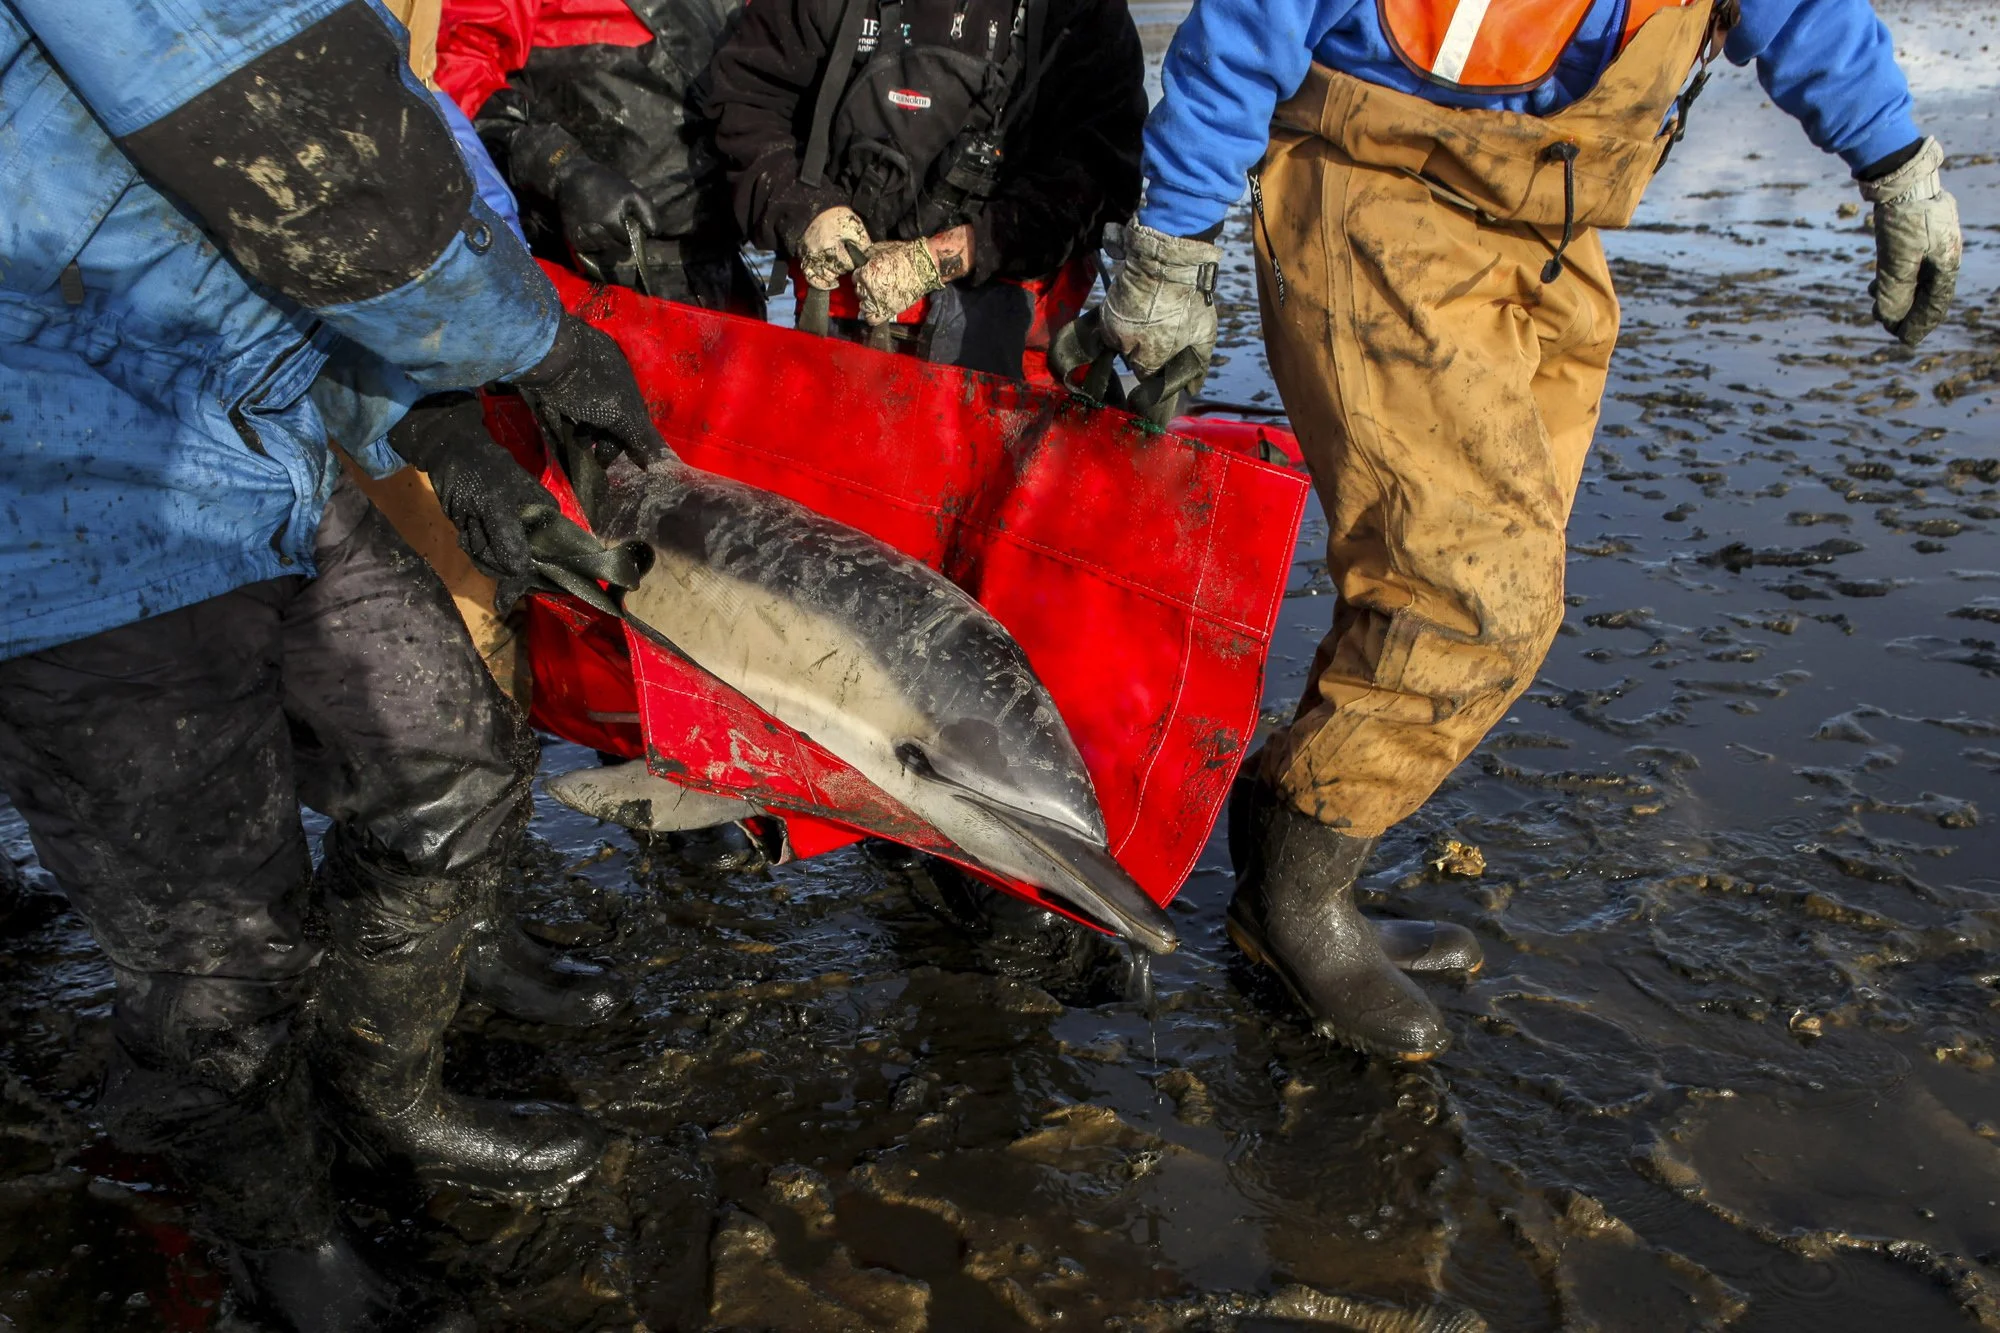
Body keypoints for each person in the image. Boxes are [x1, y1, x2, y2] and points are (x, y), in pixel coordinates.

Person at [1100, 0, 1963, 1061]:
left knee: (1493, 584)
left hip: (1551, 224)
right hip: (1377, 206)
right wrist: (1174, 238)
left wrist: (1895, 160)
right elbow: (1248, 22)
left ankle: (1297, 862)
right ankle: (1292, 894)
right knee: (1470, 597)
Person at [0, 1, 675, 1327]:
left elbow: (233, 238)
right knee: (215, 946)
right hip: (61, 472)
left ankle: (387, 1092)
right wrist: (536, 344)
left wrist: (430, 424)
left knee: (449, 767)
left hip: (241, 428)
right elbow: (293, 131)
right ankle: (288, 1243)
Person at [703, 0, 1146, 377]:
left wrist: (964, 250)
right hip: (836, 322)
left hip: (1011, 339)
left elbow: (1101, 169)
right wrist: (804, 211)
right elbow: (747, 102)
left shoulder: (1082, 12)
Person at [433, 0, 767, 314]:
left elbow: (779, 79)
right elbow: (459, 72)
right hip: (592, 273)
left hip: (726, 270)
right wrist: (561, 166)